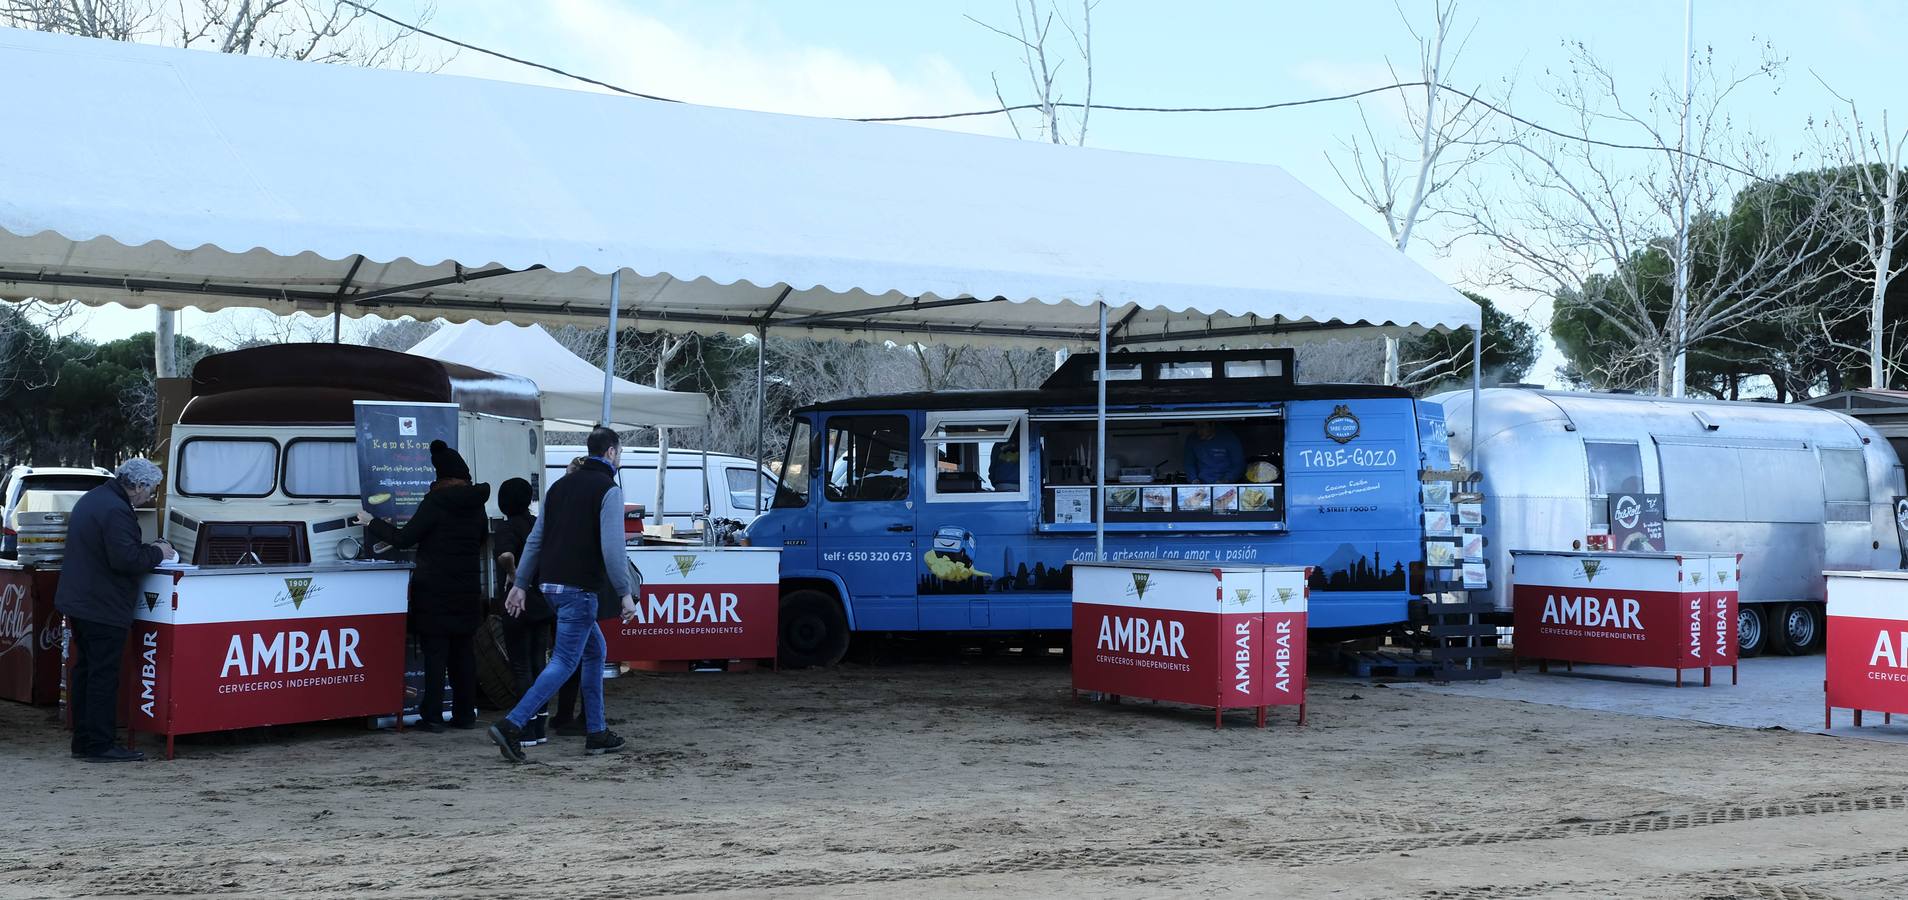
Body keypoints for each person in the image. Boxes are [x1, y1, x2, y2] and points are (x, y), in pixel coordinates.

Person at [489, 427, 633, 762]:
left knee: (595, 651)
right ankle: (512, 724)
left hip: (550, 586)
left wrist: (522, 584)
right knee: (566, 661)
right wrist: (625, 593)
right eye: (620, 453)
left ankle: (596, 731)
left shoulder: (558, 488)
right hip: (579, 590)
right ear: (611, 453)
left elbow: (536, 540)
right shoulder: (608, 490)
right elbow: (614, 549)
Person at [357, 440, 491, 733]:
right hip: (467, 590)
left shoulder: (435, 502)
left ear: (440, 475)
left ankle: (431, 716)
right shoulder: (476, 504)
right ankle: (465, 715)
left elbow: (405, 539)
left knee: (435, 656)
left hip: (435, 590)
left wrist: (371, 522)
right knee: (463, 657)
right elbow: (482, 539)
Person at [55, 458, 176, 763]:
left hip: (82, 601)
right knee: (102, 675)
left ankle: (84, 740)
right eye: (149, 490)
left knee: (86, 671)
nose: (150, 496)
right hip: (102, 604)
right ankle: (99, 743)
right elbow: (125, 560)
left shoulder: (95, 499)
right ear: (136, 485)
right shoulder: (116, 510)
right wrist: (158, 552)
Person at [492, 477, 553, 747]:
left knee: (520, 666)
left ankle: (524, 727)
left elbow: (505, 556)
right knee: (540, 663)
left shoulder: (506, 528)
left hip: (517, 604)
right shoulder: (539, 524)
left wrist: (515, 576)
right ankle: (540, 725)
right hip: (543, 603)